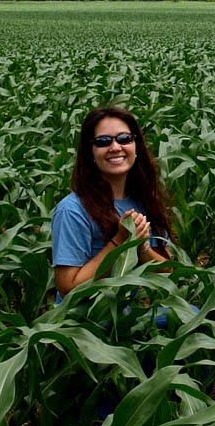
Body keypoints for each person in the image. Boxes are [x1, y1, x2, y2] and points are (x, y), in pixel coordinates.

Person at [52, 104, 173, 295]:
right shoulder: (72, 210)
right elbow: (68, 289)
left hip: (131, 314)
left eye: (124, 139)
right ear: (90, 151)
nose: (115, 147)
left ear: (136, 146)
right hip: (87, 320)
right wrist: (120, 242)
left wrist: (142, 247)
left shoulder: (145, 201)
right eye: (103, 142)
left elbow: (169, 271)